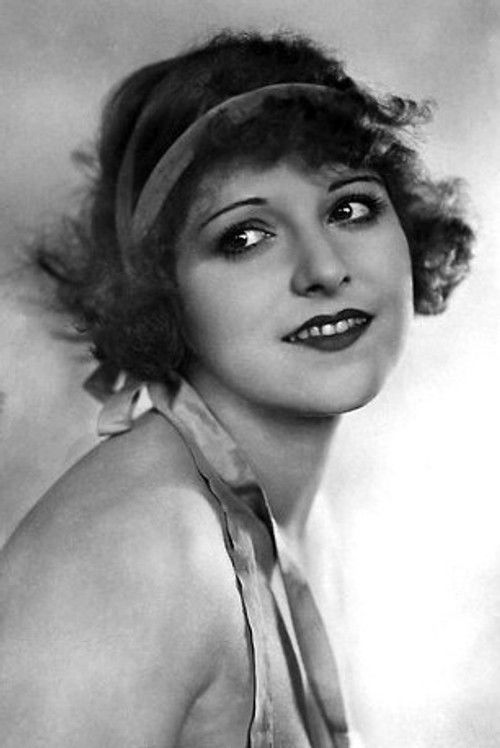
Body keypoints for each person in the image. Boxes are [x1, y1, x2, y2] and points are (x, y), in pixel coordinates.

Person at [0, 31, 473, 748]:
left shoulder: (300, 518)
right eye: (245, 237)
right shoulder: (141, 555)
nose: (324, 269)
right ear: (161, 292)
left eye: (349, 209)